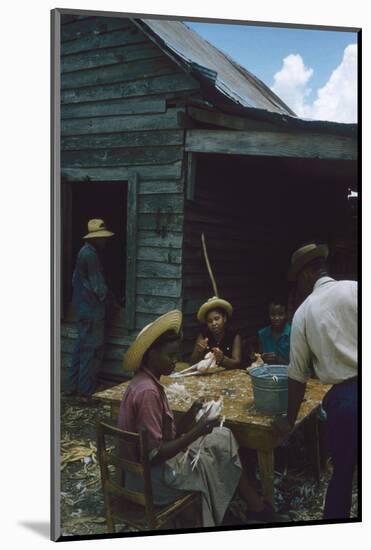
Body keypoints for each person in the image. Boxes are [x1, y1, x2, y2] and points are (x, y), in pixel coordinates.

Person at [118, 310, 275, 527]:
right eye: (170, 356)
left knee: (223, 436)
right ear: (151, 354)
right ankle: (245, 509)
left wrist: (193, 411)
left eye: (176, 355)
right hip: (150, 478)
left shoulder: (147, 381)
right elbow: (154, 454)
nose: (175, 362)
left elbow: (168, 435)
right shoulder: (148, 392)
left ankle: (249, 505)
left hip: (152, 467)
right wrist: (198, 431)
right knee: (217, 453)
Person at [273, 243, 358, 520]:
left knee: (343, 474)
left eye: (297, 280)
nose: (297, 287)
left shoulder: (304, 313)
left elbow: (296, 375)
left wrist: (288, 419)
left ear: (308, 274)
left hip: (346, 400)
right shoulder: (355, 289)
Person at [65, 218, 116, 400]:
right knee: (90, 349)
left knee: (80, 347)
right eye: (102, 238)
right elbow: (98, 286)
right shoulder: (91, 255)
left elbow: (74, 281)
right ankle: (85, 391)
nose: (105, 241)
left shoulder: (83, 252)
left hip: (82, 308)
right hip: (92, 310)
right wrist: (110, 301)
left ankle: (71, 386)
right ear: (95, 238)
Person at [190, 296, 242, 369]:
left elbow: (237, 363)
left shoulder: (234, 335)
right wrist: (199, 351)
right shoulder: (204, 335)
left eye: (217, 319)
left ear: (224, 318)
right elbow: (192, 364)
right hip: (209, 376)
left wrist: (223, 359)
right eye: (209, 321)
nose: (214, 323)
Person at [258, 300, 290, 365]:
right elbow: (259, 359)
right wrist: (262, 358)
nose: (276, 318)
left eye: (280, 314)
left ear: (286, 314)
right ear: (268, 315)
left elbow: (297, 366)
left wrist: (279, 360)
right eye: (273, 314)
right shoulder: (262, 334)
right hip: (267, 373)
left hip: (287, 373)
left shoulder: (292, 334)